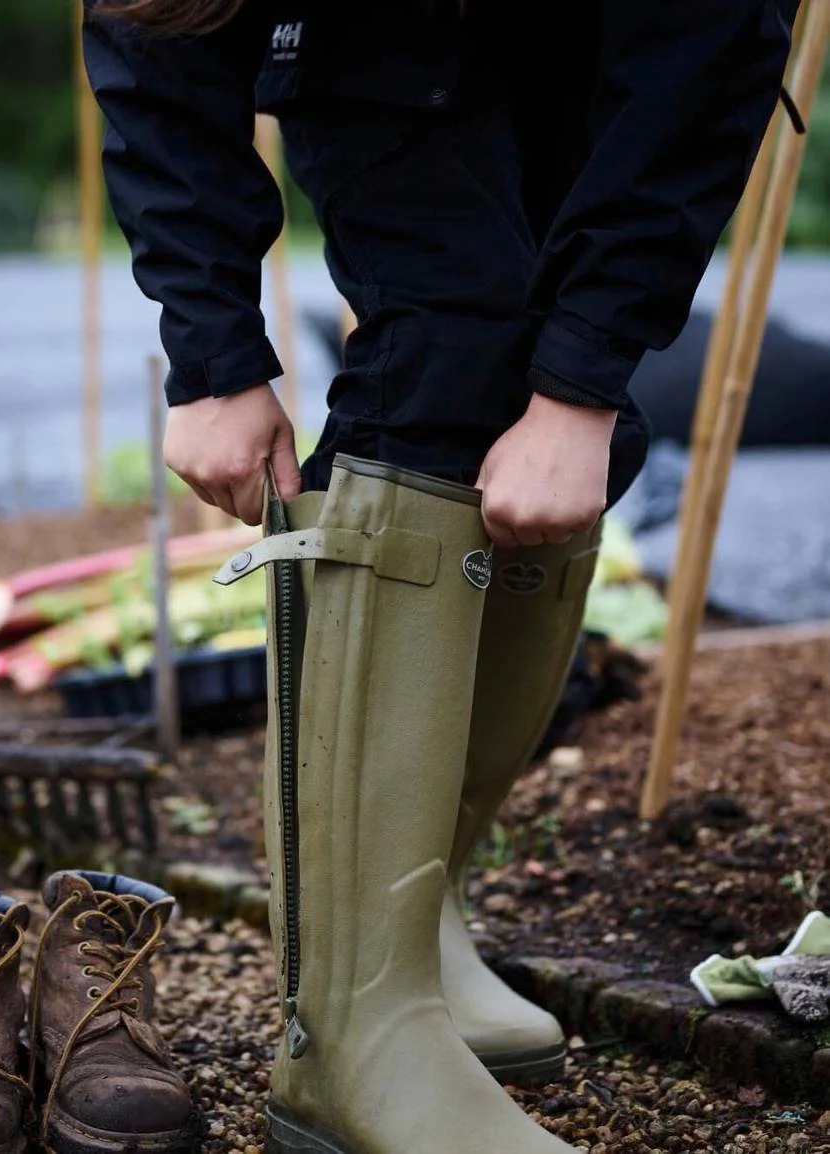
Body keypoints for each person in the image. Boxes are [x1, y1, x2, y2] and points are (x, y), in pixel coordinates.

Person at [84, 3, 797, 1152]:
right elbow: (149, 29)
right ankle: (355, 1031)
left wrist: (579, 384)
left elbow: (707, 58)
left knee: (561, 417)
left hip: (609, 42)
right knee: (445, 355)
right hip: (377, 37)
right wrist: (210, 349)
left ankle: (411, 931)